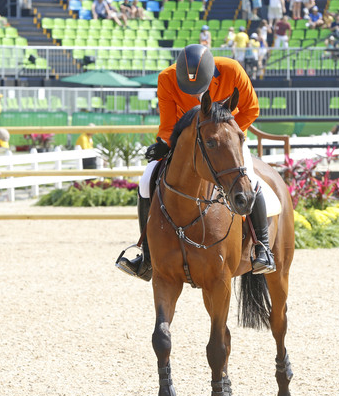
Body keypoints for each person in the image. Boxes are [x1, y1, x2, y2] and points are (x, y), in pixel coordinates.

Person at [116, 44, 276, 281]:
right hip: (189, 143)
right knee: (147, 177)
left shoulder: (232, 70)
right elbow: (169, 124)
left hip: (227, 139)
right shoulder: (167, 79)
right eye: (187, 88)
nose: (193, 94)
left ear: (212, 72)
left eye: (198, 88)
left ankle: (262, 248)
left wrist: (227, 137)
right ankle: (147, 255)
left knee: (249, 177)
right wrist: (163, 144)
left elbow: (251, 109)